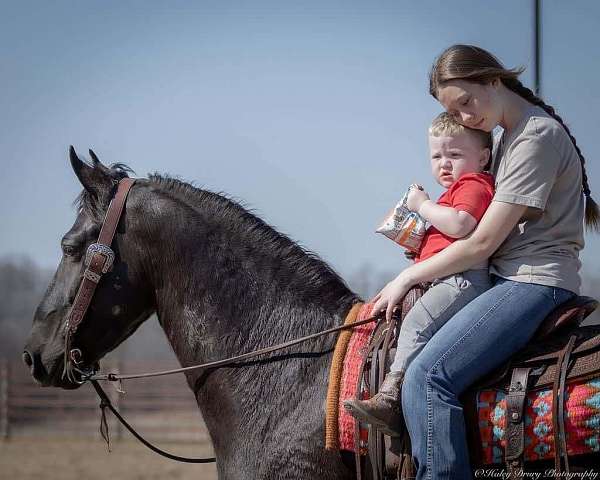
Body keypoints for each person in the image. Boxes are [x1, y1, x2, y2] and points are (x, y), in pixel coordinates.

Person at [369, 44, 598, 479]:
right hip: (507, 276)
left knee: (427, 379)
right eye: (453, 111)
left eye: (467, 102)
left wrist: (407, 277)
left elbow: (481, 243)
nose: (464, 117)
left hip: (533, 280)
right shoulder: (508, 136)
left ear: (493, 80)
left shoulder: (535, 137)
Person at [343, 111, 495, 436]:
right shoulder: (453, 192)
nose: (444, 163)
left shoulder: (474, 184)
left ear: (483, 157)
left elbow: (460, 224)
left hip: (461, 279)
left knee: (415, 324)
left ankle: (390, 398)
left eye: (455, 154)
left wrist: (422, 205)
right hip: (447, 278)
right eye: (437, 155)